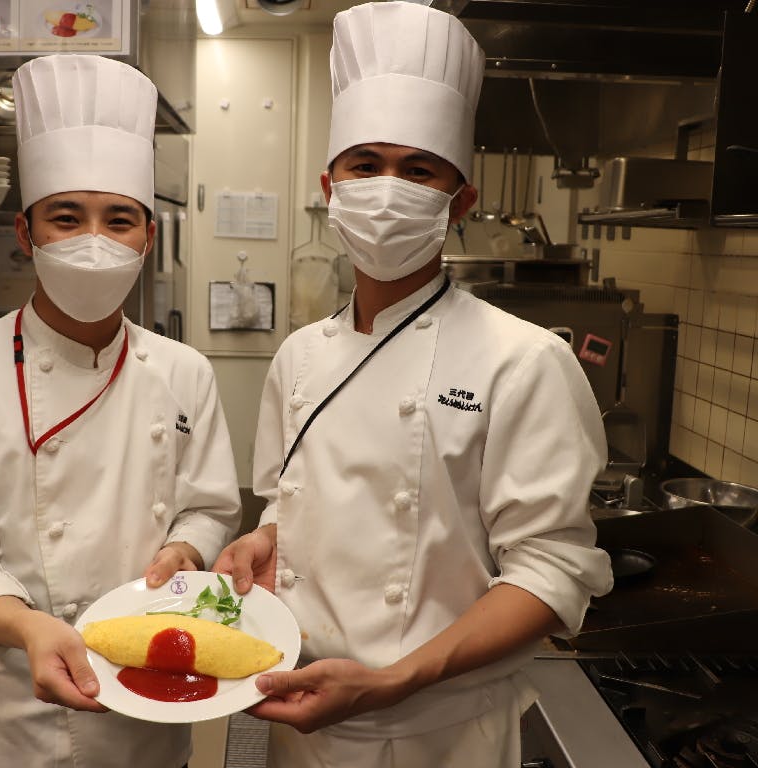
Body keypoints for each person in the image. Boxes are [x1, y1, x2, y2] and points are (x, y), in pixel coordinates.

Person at [214, 4, 614, 767]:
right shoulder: (298, 356)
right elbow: (292, 501)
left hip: (442, 733)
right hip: (296, 713)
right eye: (365, 165)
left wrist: (394, 679)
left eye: (417, 169)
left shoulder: (522, 359)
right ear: (330, 188)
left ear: (457, 202)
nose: (387, 188)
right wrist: (268, 540)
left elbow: (553, 572)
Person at [0, 54, 241, 768]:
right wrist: (27, 627)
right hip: (7, 721)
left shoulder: (186, 372)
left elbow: (210, 509)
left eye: (119, 220)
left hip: (148, 712)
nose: (95, 239)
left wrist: (187, 550)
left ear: (147, 238)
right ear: (26, 235)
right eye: (66, 217)